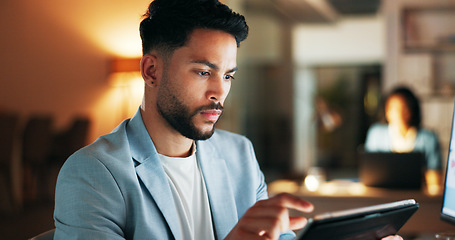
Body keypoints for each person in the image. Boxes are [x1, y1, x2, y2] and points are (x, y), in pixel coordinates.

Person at [53, 0, 404, 239]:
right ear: (151, 70)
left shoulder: (239, 154)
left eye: (228, 75)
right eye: (204, 72)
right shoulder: (92, 173)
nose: (219, 92)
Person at [364, 87, 442, 188]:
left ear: (412, 110)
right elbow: (370, 173)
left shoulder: (428, 138)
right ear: (386, 111)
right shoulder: (376, 134)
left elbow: (435, 180)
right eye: (393, 108)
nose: (398, 113)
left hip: (418, 197)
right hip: (382, 194)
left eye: (403, 108)